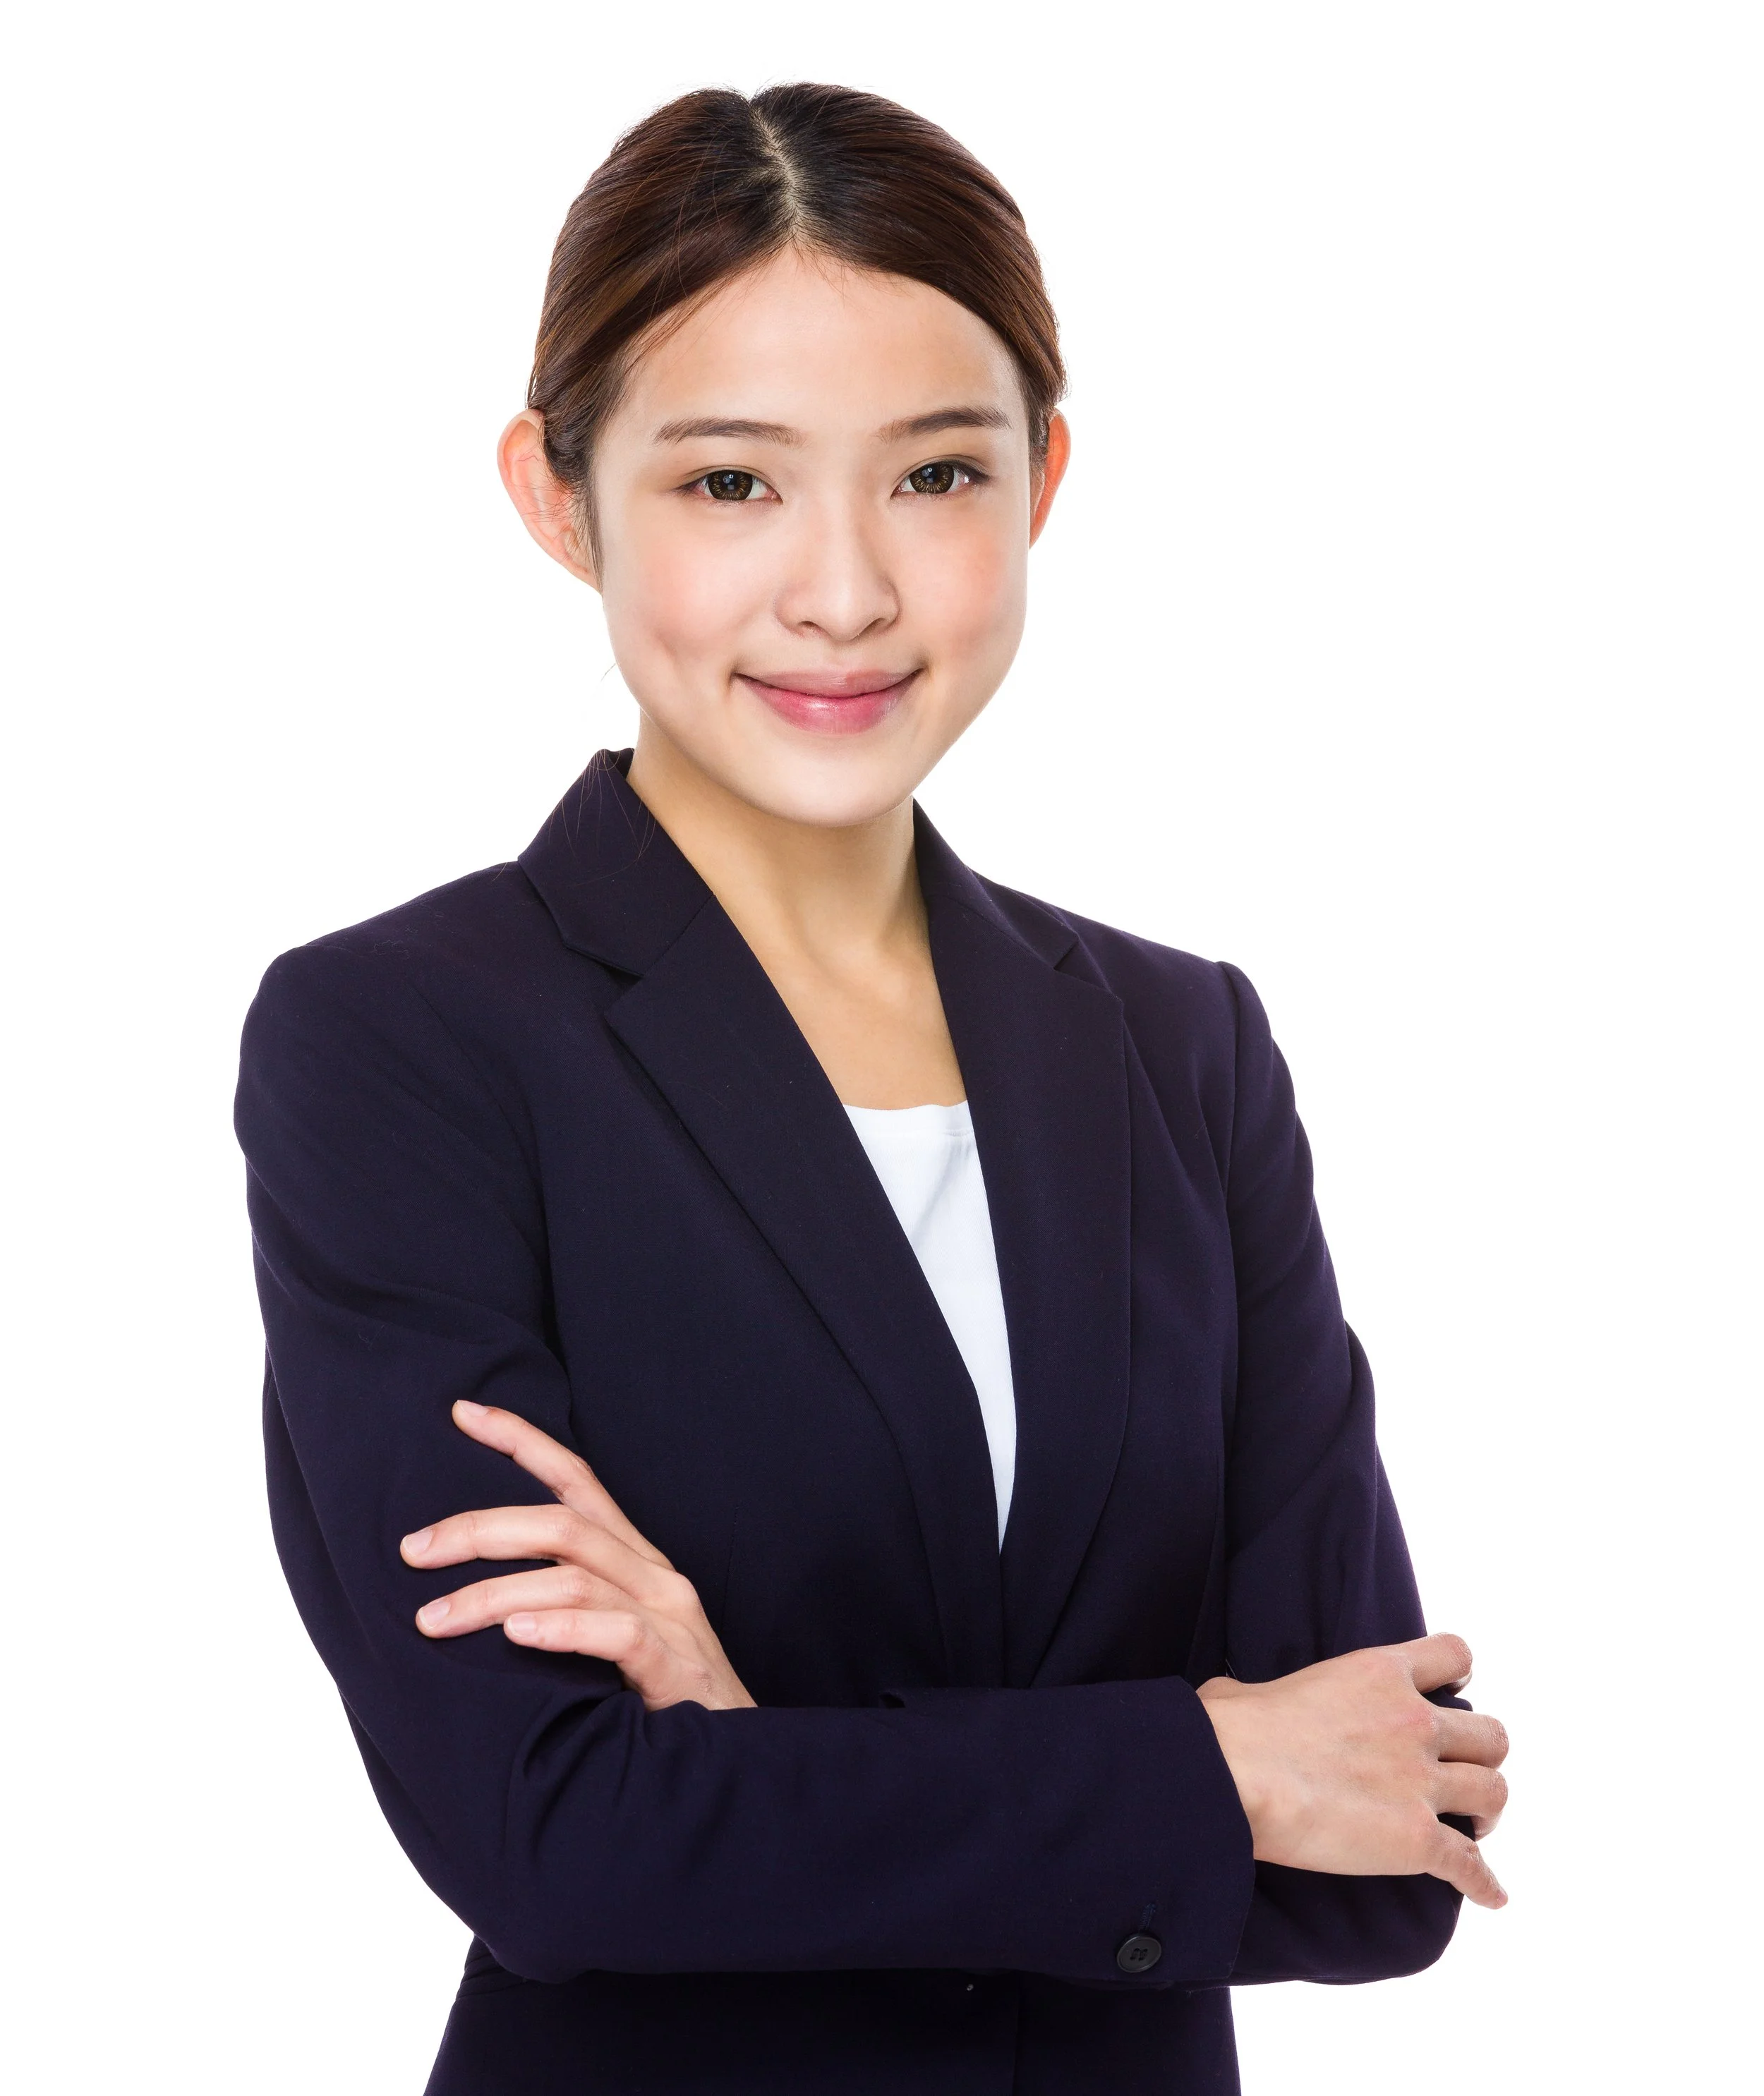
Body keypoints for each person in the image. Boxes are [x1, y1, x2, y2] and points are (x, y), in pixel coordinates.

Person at [236, 82, 1509, 2096]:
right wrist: (1194, 1771)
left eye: (933, 475)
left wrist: (747, 1753)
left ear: (1041, 484)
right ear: (558, 497)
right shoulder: (408, 1039)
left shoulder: (1181, 1048)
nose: (842, 591)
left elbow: (1390, 1855)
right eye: (730, 485)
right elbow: (547, 1846)